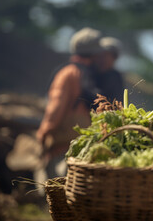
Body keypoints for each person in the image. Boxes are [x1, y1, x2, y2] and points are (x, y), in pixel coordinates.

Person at [36, 27, 106, 178]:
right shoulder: (89, 75)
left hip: (63, 147)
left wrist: (43, 133)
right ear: (95, 54)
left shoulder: (67, 73)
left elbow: (55, 108)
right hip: (84, 146)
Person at [97, 37, 125, 102]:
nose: (102, 59)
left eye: (106, 55)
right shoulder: (91, 74)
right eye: (101, 55)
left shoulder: (115, 77)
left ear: (114, 57)